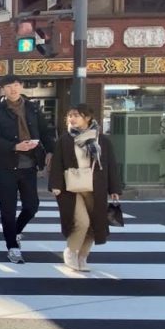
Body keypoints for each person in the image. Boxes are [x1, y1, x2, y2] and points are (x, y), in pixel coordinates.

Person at [0, 74, 55, 264]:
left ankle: (15, 231)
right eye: (8, 86)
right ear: (3, 90)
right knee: (8, 208)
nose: (13, 89)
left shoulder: (33, 107)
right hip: (6, 166)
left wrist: (50, 150)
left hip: (29, 165)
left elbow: (46, 131)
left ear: (21, 86)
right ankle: (12, 246)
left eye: (16, 85)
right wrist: (14, 146)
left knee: (32, 206)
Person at [49, 105, 122, 272]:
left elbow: (111, 165)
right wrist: (55, 185)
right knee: (82, 222)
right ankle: (71, 251)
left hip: (96, 187)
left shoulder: (102, 140)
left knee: (95, 224)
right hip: (70, 187)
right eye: (70, 115)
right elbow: (57, 163)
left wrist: (114, 189)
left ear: (87, 118)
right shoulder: (65, 140)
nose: (72, 119)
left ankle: (82, 256)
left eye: (76, 115)